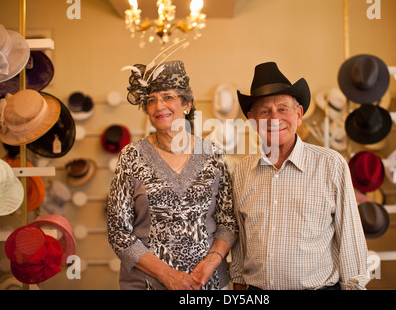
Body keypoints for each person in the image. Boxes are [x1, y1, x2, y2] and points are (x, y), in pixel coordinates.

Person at [230, 62, 369, 290]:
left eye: (283, 109)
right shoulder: (242, 172)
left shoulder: (331, 165)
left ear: (299, 114)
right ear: (253, 120)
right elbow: (240, 242)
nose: (275, 118)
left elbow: (350, 240)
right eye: (265, 111)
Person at [107, 60, 238, 290]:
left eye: (168, 97)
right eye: (151, 100)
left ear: (186, 104)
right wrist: (168, 276)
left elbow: (228, 223)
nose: (159, 106)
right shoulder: (131, 157)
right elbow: (118, 232)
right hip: (148, 284)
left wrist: (211, 262)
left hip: (208, 284)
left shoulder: (213, 155)